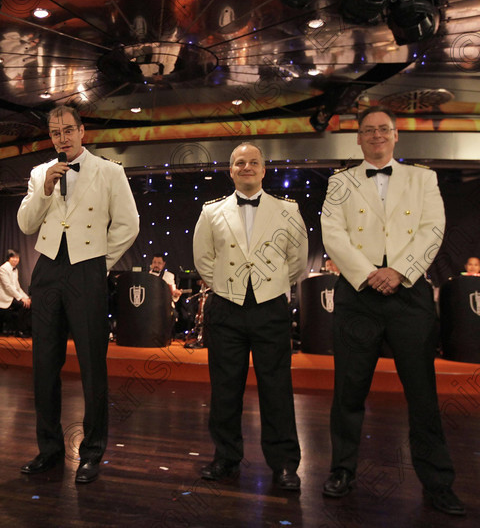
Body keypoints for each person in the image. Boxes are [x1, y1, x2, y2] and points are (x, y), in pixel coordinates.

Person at [320, 106, 464, 516]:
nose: (377, 135)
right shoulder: (339, 182)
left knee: (422, 393)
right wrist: (369, 274)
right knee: (349, 391)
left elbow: (432, 229)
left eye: (384, 129)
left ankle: (438, 481)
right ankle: (342, 470)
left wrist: (399, 271)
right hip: (358, 294)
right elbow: (333, 233)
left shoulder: (424, 178)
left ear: (396, 135)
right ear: (359, 138)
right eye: (369, 130)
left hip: (409, 294)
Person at [17, 105, 139, 483]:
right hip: (48, 268)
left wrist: (99, 262)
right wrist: (45, 190)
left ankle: (92, 452)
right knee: (44, 365)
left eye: (68, 131)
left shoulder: (109, 171)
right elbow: (25, 223)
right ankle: (49, 448)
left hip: (87, 268)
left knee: (91, 365)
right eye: (56, 133)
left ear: (82, 131)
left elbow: (128, 224)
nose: (62, 138)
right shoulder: (40, 173)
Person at [192, 141, 307, 491]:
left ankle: (285, 465)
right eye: (239, 163)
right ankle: (226, 457)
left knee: (277, 388)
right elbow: (203, 259)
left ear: (263, 169)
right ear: (230, 170)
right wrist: (228, 286)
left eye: (252, 162)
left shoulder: (288, 210)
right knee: (225, 389)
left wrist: (270, 286)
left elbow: (297, 260)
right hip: (225, 306)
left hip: (270, 307)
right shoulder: (211, 211)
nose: (246, 167)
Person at [0, 249, 31, 336]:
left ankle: (24, 330)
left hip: (11, 296)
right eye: (13, 257)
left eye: (17, 258)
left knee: (29, 304)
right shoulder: (3, 268)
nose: (15, 259)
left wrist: (26, 297)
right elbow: (8, 287)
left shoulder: (15, 270)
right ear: (8, 258)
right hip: (3, 297)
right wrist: (21, 298)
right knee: (23, 305)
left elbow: (17, 287)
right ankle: (20, 331)